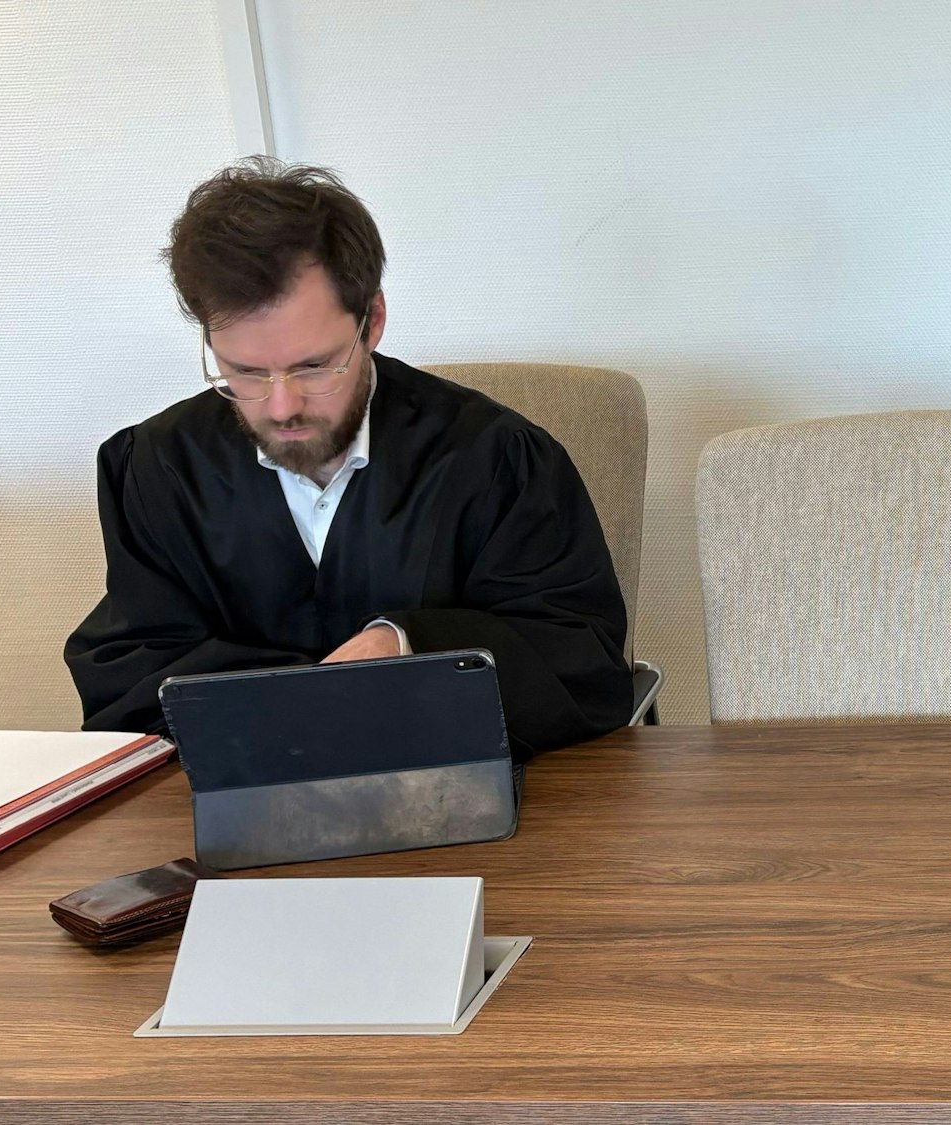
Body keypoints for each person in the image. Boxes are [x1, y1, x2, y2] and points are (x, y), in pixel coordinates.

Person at [65, 158, 631, 756]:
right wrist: (309, 698)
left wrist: (406, 643)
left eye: (313, 365)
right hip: (244, 801)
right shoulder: (158, 466)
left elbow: (579, 659)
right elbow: (128, 672)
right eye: (245, 372)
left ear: (373, 320)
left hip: (465, 796)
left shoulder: (495, 460)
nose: (282, 406)